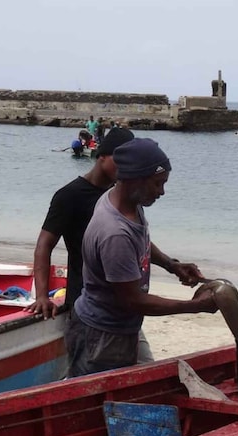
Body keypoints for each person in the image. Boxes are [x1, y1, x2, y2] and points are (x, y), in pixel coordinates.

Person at [66, 138, 217, 377]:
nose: (162, 191)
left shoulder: (124, 200)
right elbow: (134, 301)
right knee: (97, 404)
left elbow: (141, 240)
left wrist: (171, 265)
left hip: (121, 327)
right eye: (158, 184)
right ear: (136, 179)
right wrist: (195, 306)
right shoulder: (114, 234)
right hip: (102, 337)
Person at [26, 128, 148, 362]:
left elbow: (137, 240)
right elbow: (44, 244)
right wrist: (42, 295)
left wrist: (171, 265)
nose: (126, 171)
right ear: (102, 156)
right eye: (120, 163)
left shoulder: (118, 195)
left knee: (142, 369)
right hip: (87, 307)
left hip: (123, 304)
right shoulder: (69, 195)